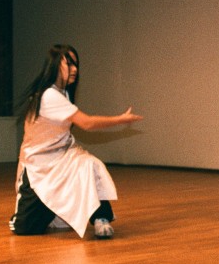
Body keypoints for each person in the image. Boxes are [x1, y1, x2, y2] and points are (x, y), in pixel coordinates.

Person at [10, 44, 143, 239]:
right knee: (25, 229)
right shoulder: (48, 95)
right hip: (38, 167)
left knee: (89, 164)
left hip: (62, 157)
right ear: (55, 65)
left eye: (76, 65)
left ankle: (101, 217)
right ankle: (51, 208)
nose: (75, 69)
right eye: (69, 64)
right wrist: (121, 119)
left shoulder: (63, 93)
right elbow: (86, 123)